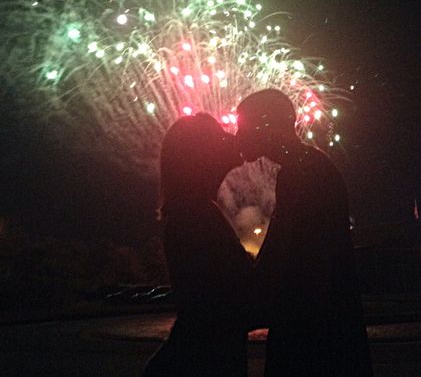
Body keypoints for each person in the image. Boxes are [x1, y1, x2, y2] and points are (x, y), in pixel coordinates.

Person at [237, 89, 373, 376]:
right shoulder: (312, 165)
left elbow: (278, 256)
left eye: (243, 125)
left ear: (266, 124)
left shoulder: (298, 172)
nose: (237, 135)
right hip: (330, 325)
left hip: (311, 332)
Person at [142, 113, 254, 376]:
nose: (232, 136)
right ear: (200, 155)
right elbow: (230, 300)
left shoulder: (191, 211)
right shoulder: (196, 215)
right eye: (220, 135)